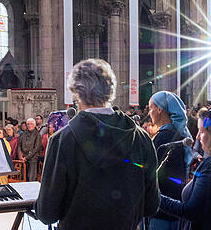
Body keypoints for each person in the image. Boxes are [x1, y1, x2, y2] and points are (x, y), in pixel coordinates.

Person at [36, 59, 159, 230]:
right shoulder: (141, 138)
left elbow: (47, 214)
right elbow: (152, 206)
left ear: (76, 92)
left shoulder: (62, 140)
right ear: (111, 90)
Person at [145, 91, 194, 230]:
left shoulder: (164, 138)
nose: (149, 113)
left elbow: (149, 171)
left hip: (162, 210)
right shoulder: (178, 134)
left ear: (160, 109)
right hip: (175, 207)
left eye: (150, 108)